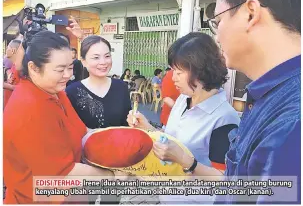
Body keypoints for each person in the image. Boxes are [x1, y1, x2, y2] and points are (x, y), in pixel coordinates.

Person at [207, 0, 301, 204]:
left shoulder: (292, 120)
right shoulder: (271, 96)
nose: (217, 36)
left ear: (250, 13)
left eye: (218, 22)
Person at [127, 32, 240, 204]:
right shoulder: (183, 100)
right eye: (173, 71)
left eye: (179, 72)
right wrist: (147, 127)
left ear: (201, 71)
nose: (173, 79)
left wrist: (187, 161)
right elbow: (170, 139)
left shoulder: (224, 118)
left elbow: (224, 179)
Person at [3, 31, 114, 204]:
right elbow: (63, 173)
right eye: (60, 69)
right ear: (33, 68)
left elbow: (83, 131)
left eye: (69, 67)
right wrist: (111, 176)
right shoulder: (29, 109)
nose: (68, 75)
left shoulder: (55, 92)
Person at [65, 35, 131, 204]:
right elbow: (71, 130)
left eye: (107, 55)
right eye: (95, 57)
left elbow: (126, 124)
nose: (103, 62)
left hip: (116, 164)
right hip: (86, 165)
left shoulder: (121, 87)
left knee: (111, 201)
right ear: (84, 61)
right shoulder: (72, 92)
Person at [3, 39, 24, 108]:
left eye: (8, 47)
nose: (6, 50)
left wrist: (5, 85)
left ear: (13, 51)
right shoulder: (14, 66)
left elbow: (23, 88)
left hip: (14, 106)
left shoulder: (20, 68)